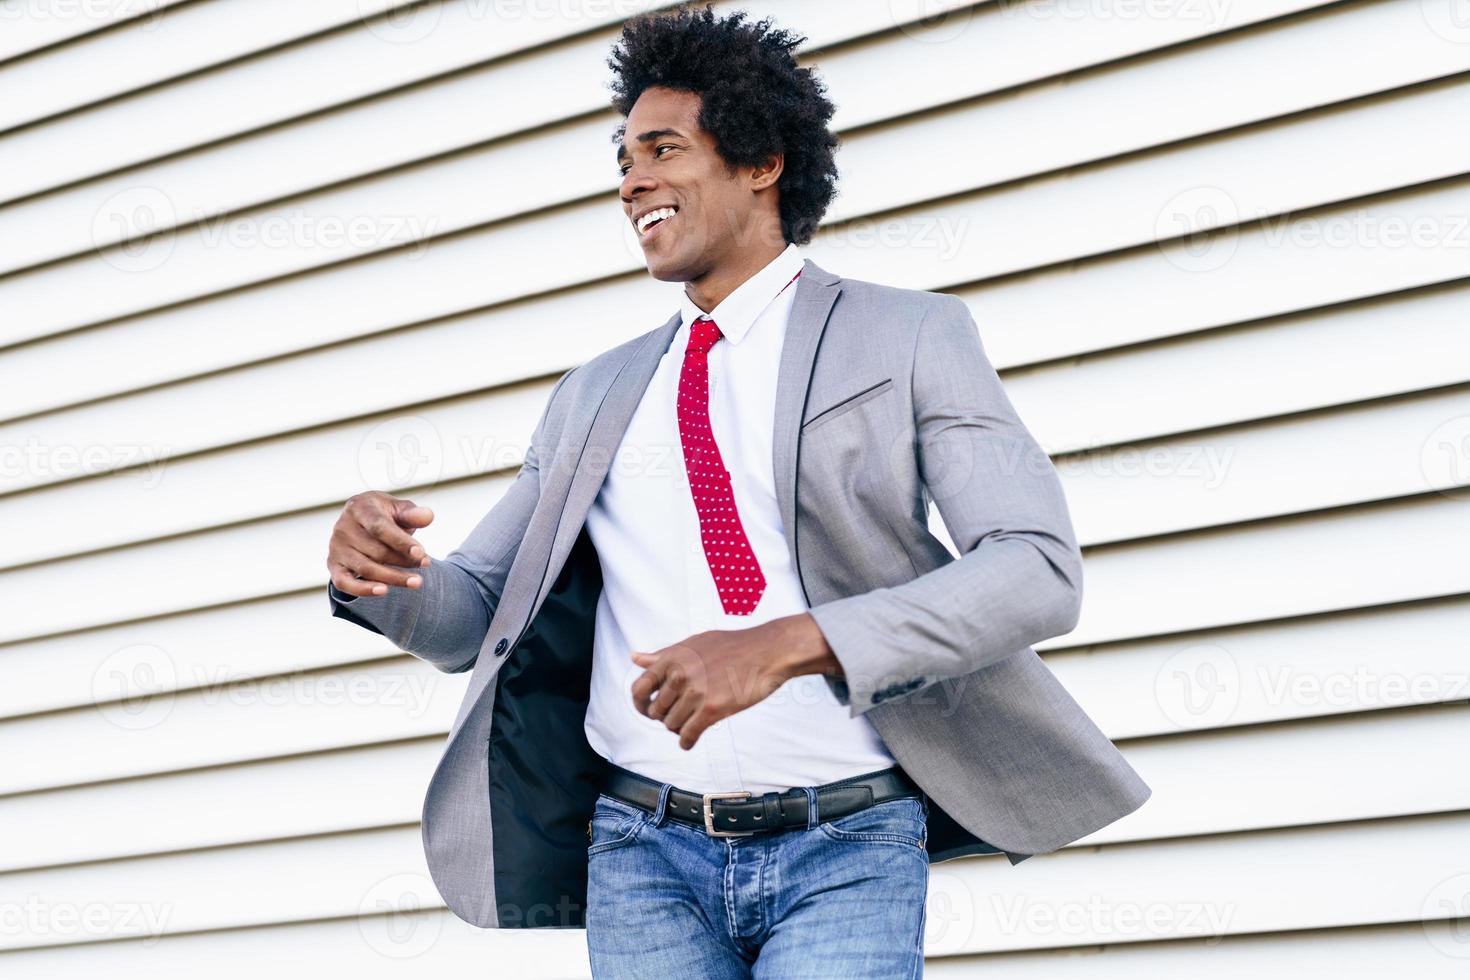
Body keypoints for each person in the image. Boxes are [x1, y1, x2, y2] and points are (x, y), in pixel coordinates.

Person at [325, 6, 1150, 977]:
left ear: (762, 161)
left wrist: (788, 643)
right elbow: (473, 618)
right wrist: (385, 578)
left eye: (662, 149)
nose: (633, 181)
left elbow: (1035, 570)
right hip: (642, 853)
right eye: (624, 158)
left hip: (846, 842)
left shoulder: (910, 337)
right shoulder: (592, 393)